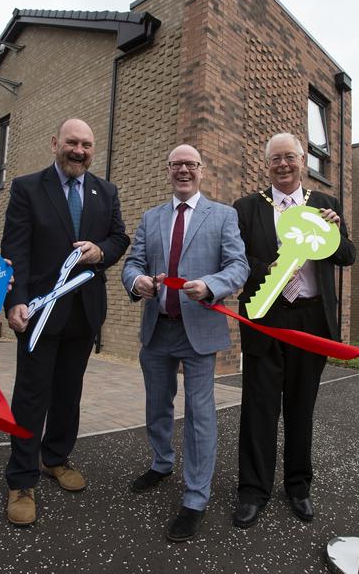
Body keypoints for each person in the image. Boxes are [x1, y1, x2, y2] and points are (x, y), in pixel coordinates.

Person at [0, 118, 130, 526]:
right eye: (72, 142)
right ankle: (21, 480)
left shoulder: (105, 191)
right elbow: (14, 249)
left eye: (87, 145)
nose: (79, 150)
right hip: (38, 312)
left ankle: (55, 457)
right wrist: (13, 302)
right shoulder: (26, 188)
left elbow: (119, 238)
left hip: (83, 312)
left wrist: (100, 251)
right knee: (31, 396)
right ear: (55, 143)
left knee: (68, 393)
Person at [121, 144, 249, 542]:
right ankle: (162, 463)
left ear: (201, 171)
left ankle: (195, 497)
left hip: (199, 330)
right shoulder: (151, 217)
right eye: (176, 164)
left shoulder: (223, 215)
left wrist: (210, 285)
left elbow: (238, 266)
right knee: (156, 404)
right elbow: (132, 264)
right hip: (158, 328)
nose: (183, 171)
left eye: (190, 165)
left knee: (199, 413)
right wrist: (136, 281)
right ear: (168, 170)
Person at [231, 132, 356, 528]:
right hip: (265, 316)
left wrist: (334, 234)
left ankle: (298, 486)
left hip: (310, 318)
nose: (283, 165)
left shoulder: (326, 205)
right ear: (265, 164)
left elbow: (348, 256)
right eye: (275, 159)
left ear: (303, 161)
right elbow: (235, 257)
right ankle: (253, 490)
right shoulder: (247, 207)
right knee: (258, 409)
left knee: (301, 408)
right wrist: (263, 270)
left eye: (290, 157)